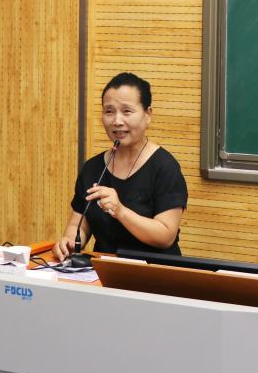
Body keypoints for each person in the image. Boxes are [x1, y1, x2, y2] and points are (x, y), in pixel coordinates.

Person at [52, 72, 188, 261]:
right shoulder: (93, 168)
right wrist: (69, 241)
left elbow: (166, 236)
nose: (117, 121)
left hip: (154, 272)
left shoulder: (165, 167)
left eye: (127, 111)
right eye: (109, 111)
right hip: (104, 271)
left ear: (148, 115)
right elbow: (79, 224)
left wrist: (120, 211)